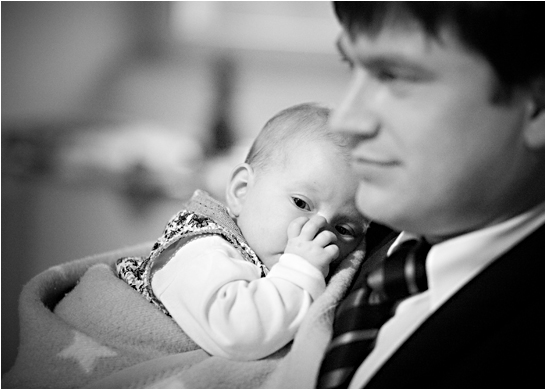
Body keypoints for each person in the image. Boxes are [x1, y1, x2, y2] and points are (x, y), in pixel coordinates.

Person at [313, 2, 545, 389]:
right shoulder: (367, 217)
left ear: (543, 103)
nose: (344, 120)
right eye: (351, 66)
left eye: (394, 75)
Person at [117, 102, 369, 361]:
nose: (319, 233)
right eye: (301, 203)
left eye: (344, 228)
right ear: (241, 190)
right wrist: (300, 272)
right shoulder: (202, 249)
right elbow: (238, 333)